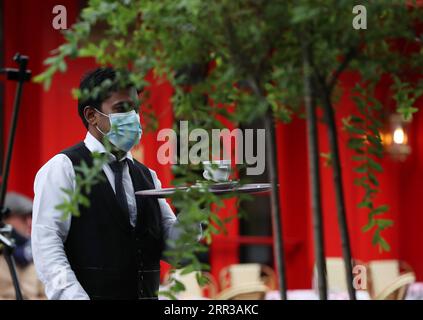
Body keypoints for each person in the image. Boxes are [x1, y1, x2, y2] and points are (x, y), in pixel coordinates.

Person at [32, 67, 201, 300]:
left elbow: (177, 252)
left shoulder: (147, 175)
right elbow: (47, 246)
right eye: (122, 109)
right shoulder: (64, 168)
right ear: (91, 115)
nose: (133, 118)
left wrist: (197, 206)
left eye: (136, 110)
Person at [0, 192, 45, 299]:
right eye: (23, 218)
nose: (29, 223)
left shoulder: (37, 253)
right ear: (5, 219)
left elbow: (47, 294)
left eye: (31, 218)